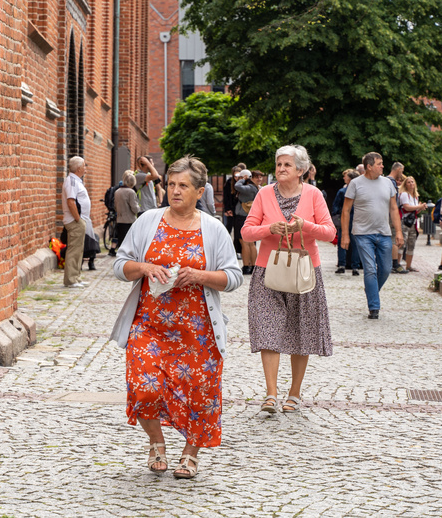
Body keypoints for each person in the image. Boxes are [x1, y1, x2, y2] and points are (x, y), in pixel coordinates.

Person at [110, 156, 242, 480]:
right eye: (171, 184)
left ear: (200, 191)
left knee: (200, 392)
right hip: (150, 325)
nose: (175, 191)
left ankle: (190, 453)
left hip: (197, 332)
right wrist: (143, 268)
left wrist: (200, 275)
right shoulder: (148, 221)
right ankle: (156, 442)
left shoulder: (213, 229)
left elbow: (234, 276)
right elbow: (119, 265)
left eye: (183, 185)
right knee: (144, 387)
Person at [241, 145, 336, 414]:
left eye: (287, 165)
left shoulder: (314, 194)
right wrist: (267, 229)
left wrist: (304, 225)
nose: (281, 169)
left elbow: (330, 233)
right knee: (267, 329)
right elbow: (247, 233)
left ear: (301, 170)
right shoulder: (263, 194)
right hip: (267, 271)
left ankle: (293, 394)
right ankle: (271, 394)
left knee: (301, 330)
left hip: (304, 272)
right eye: (278, 164)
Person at [340, 152, 404, 319]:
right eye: (379, 163)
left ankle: (371, 289)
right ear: (369, 166)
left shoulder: (388, 183)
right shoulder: (355, 184)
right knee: (370, 269)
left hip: (383, 233)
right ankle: (374, 308)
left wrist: (398, 232)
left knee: (385, 269)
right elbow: (346, 210)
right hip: (362, 233)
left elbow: (393, 209)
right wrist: (345, 235)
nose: (383, 166)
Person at [62, 156, 91, 288]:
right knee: (74, 250)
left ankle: (76, 277)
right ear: (79, 168)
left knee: (79, 250)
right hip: (75, 221)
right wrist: (78, 219)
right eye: (84, 166)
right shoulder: (72, 182)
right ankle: (71, 280)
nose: (85, 168)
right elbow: (71, 201)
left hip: (78, 221)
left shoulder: (76, 181)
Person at [332, 169, 360, 274]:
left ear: (350, 179)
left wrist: (336, 215)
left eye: (346, 176)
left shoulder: (342, 191)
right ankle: (355, 267)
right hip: (356, 219)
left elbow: (336, 206)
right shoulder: (359, 191)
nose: (344, 178)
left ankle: (342, 265)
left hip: (344, 218)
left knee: (342, 242)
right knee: (355, 243)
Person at [234, 169, 260, 274]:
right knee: (251, 243)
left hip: (242, 216)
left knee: (244, 242)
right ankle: (253, 266)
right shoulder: (255, 188)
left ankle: (246, 266)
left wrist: (242, 179)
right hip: (250, 216)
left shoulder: (249, 188)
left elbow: (237, 186)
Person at [398, 176, 427, 272]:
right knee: (402, 243)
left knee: (411, 244)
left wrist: (420, 208)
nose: (411, 184)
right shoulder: (404, 194)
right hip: (405, 222)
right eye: (409, 182)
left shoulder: (415, 196)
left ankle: (409, 265)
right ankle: (397, 264)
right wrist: (418, 206)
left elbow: (414, 210)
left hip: (413, 223)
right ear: (405, 184)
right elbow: (406, 207)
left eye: (412, 182)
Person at [387, 162, 407, 274]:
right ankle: (394, 263)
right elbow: (393, 204)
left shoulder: (386, 180)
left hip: (388, 214)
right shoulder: (391, 182)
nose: (402, 173)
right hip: (391, 215)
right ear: (398, 169)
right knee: (394, 238)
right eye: (402, 171)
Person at [113, 170, 139, 249]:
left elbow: (115, 206)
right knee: (130, 242)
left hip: (120, 220)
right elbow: (134, 208)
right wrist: (138, 208)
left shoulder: (117, 191)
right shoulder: (131, 192)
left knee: (122, 241)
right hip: (129, 220)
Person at [222, 166, 243, 255]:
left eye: (238, 176)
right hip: (231, 209)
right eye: (235, 176)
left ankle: (236, 251)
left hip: (239, 211)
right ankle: (225, 249)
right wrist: (227, 209)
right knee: (228, 229)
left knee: (238, 232)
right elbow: (226, 197)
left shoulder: (243, 184)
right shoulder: (229, 183)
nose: (236, 178)